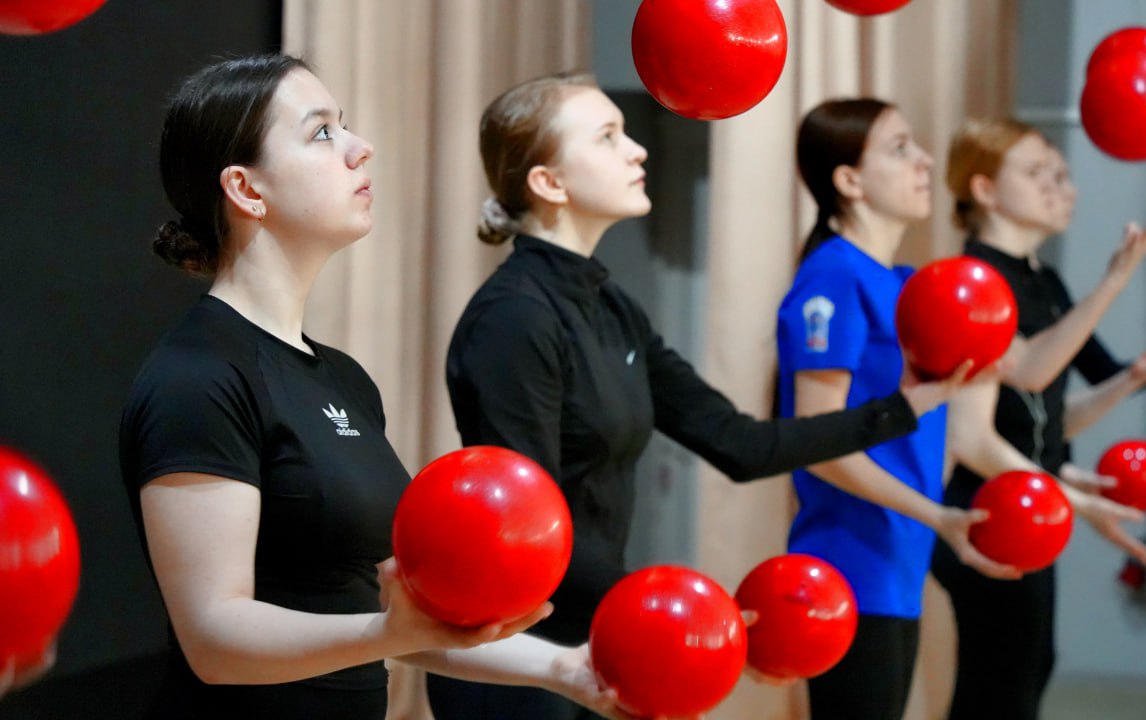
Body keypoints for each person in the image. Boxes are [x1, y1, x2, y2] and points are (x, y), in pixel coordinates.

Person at [429, 73, 970, 720]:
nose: (638, 151)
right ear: (550, 184)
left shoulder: (612, 307)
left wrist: (901, 408)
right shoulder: (513, 320)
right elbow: (526, 536)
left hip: (591, 639)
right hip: (518, 657)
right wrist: (696, 625)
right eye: (608, 138)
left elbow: (741, 443)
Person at [118, 55, 633, 720]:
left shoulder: (343, 379)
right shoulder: (197, 377)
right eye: (323, 133)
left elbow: (388, 616)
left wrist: (565, 667)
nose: (362, 149)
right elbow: (214, 640)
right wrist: (390, 634)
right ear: (247, 190)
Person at [930, 118, 1146, 720]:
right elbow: (973, 435)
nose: (1063, 188)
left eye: (1062, 175)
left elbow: (1056, 416)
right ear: (983, 190)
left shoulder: (1043, 280)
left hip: (1031, 507)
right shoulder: (973, 284)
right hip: (983, 512)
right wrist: (1116, 277)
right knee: (999, 684)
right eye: (1039, 174)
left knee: (1029, 669)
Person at [774, 98, 1027, 720]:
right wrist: (938, 515)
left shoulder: (910, 285)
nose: (925, 162)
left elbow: (1023, 372)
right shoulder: (833, 278)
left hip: (897, 563)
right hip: (848, 570)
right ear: (848, 181)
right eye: (900, 148)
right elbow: (819, 440)